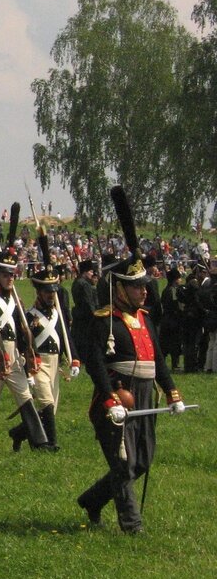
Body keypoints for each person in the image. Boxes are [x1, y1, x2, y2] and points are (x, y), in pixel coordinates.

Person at [78, 188, 185, 533]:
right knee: (124, 463)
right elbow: (94, 362)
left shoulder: (145, 318)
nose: (144, 291)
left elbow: (157, 361)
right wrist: (108, 397)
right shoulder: (104, 320)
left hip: (146, 396)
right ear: (122, 288)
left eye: (145, 286)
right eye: (137, 287)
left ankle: (93, 499)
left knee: (142, 462)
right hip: (118, 397)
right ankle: (132, 524)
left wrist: (171, 392)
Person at [0, 216, 52, 452]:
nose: (10, 279)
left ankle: (40, 442)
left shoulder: (16, 300)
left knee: (25, 396)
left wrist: (29, 354)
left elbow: (22, 332)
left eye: (12, 275)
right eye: (6, 275)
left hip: (13, 354)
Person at [11, 235, 77, 453]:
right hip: (37, 363)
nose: (51, 295)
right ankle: (49, 444)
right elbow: (22, 344)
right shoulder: (28, 316)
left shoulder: (58, 315)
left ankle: (19, 432)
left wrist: (74, 359)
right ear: (39, 292)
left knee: (52, 408)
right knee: (46, 404)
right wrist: (28, 370)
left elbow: (66, 337)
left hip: (55, 362)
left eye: (54, 291)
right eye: (47, 291)